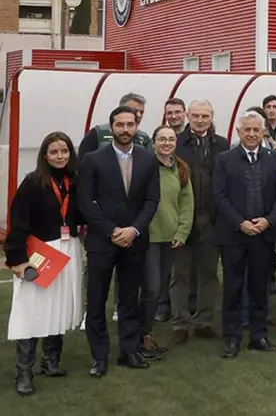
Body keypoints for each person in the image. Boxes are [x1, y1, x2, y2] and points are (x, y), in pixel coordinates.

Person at [79, 105, 161, 376]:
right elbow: (86, 202)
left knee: (129, 299)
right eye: (120, 125)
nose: (125, 129)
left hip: (134, 241)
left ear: (137, 126)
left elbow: (152, 200)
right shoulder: (93, 158)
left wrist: (133, 230)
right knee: (97, 300)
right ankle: (99, 357)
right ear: (111, 127)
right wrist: (112, 230)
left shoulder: (149, 159)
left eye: (130, 124)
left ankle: (128, 352)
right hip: (103, 242)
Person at [6, 132, 82, 396]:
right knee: (31, 310)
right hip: (41, 252)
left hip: (69, 249)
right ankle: (23, 372)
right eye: (54, 152)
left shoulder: (74, 181)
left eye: (64, 151)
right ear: (45, 155)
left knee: (59, 306)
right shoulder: (33, 183)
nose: (60, 156)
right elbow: (19, 222)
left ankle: (51, 361)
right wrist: (17, 259)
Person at [213, 110, 276, 358]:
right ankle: (232, 339)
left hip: (263, 235)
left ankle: (259, 336)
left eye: (257, 130)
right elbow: (220, 197)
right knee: (233, 289)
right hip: (234, 235)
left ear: (263, 131)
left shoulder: (273, 159)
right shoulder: (224, 159)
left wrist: (268, 221)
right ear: (238, 132)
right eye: (247, 130)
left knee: (260, 288)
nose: (252, 134)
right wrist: (240, 223)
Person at [172, 100, 228, 345]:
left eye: (205, 115)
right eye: (195, 115)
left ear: (212, 116)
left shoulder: (221, 145)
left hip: (212, 219)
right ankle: (180, 324)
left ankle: (204, 321)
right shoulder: (176, 143)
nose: (200, 119)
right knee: (180, 275)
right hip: (182, 219)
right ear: (187, 116)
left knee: (209, 274)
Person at [137, 126, 193, 362]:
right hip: (147, 238)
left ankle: (142, 331)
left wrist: (181, 233)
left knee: (157, 287)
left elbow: (187, 203)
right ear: (153, 142)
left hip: (169, 240)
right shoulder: (143, 167)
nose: (167, 143)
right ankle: (142, 335)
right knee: (149, 288)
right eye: (162, 139)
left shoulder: (180, 169)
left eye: (171, 139)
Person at [79, 93, 154, 155]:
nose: (139, 115)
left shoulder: (143, 137)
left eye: (141, 112)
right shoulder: (98, 132)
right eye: (134, 110)